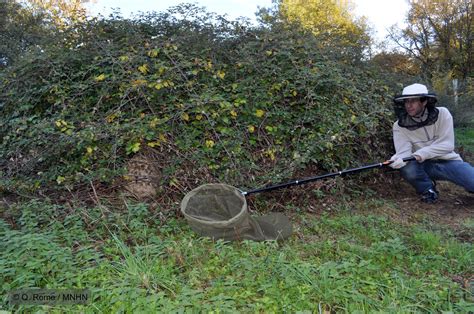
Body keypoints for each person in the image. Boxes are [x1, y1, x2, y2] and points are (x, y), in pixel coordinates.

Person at [389, 83, 474, 203]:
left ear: (424, 102)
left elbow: (447, 145)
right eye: (406, 101)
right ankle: (427, 190)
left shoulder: (443, 114)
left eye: (413, 101)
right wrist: (398, 159)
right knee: (408, 168)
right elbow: (404, 153)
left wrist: (420, 154)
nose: (408, 105)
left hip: (449, 162)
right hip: (422, 165)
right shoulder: (399, 126)